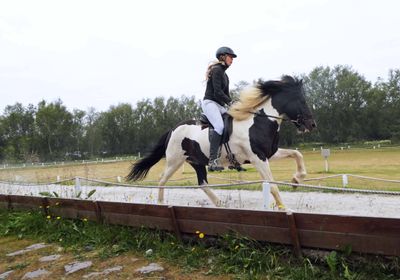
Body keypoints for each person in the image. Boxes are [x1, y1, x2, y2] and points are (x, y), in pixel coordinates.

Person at [202, 46, 236, 172]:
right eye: (230, 57)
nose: (232, 60)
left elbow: (226, 95)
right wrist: (230, 102)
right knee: (220, 127)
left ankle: (232, 156)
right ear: (223, 56)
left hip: (220, 106)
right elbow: (217, 92)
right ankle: (212, 161)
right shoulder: (216, 70)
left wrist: (235, 104)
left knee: (232, 120)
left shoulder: (225, 76)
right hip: (210, 102)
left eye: (232, 58)